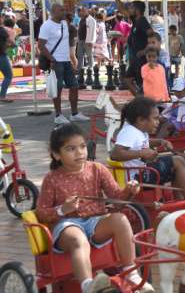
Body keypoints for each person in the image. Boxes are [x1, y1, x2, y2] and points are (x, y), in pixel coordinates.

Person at [36, 124, 154, 293]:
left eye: (83, 146)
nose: (79, 152)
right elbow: (41, 212)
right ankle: (88, 286)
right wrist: (63, 209)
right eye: (71, 149)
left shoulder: (97, 169)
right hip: (67, 225)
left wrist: (129, 190)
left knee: (120, 220)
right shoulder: (52, 179)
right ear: (56, 154)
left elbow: (116, 198)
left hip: (96, 222)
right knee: (78, 239)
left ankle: (131, 273)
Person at [110, 97, 185, 200]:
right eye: (155, 118)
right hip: (137, 177)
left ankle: (180, 200)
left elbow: (140, 143)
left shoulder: (139, 130)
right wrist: (142, 153)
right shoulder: (130, 132)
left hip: (142, 172)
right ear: (141, 120)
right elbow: (115, 154)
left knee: (176, 163)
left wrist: (160, 141)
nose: (158, 122)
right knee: (178, 161)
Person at [38, 4, 89, 124]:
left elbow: (65, 43)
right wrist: (51, 59)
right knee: (58, 89)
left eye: (64, 10)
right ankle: (58, 115)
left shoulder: (64, 24)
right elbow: (40, 45)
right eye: (62, 10)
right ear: (54, 12)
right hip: (55, 62)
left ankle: (74, 113)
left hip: (65, 61)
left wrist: (70, 60)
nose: (64, 12)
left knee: (74, 86)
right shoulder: (46, 26)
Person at [112, 0, 152, 96]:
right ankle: (140, 99)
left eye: (131, 7)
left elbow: (153, 36)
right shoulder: (135, 21)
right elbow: (121, 9)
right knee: (127, 80)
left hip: (142, 60)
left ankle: (145, 102)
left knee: (142, 84)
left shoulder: (142, 21)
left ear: (137, 10)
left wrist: (145, 51)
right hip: (135, 59)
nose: (129, 9)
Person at [0, 27, 14, 102]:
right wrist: (14, 44)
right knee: (8, 75)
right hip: (1, 55)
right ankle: (2, 96)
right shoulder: (1, 30)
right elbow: (9, 40)